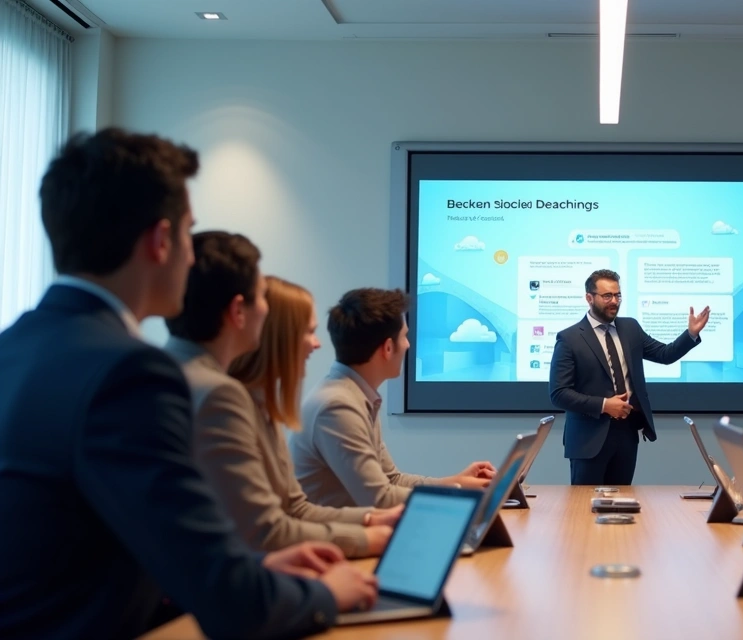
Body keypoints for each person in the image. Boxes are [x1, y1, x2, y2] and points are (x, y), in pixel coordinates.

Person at [0, 129, 376, 639]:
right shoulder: (130, 374)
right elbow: (226, 597)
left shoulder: (14, 347)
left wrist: (258, 572)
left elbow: (84, 556)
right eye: (187, 234)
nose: (192, 257)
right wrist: (327, 593)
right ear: (160, 242)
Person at [169, 240, 402, 558]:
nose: (318, 344)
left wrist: (372, 520)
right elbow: (266, 530)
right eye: (308, 331)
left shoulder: (259, 404)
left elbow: (295, 508)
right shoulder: (223, 398)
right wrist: (372, 538)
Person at [294, 287, 496, 508]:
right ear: (388, 348)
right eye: (404, 336)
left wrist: (458, 482)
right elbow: (380, 499)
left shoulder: (355, 395)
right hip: (336, 539)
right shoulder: (337, 407)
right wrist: (458, 492)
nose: (408, 345)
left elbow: (392, 480)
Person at [550, 269, 709, 485]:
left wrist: (691, 334)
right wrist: (604, 405)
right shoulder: (569, 339)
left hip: (626, 434)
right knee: (584, 508)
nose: (614, 301)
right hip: (588, 438)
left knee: (621, 505)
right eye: (607, 296)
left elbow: (665, 354)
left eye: (617, 295)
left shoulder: (630, 328)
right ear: (589, 298)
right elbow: (559, 393)